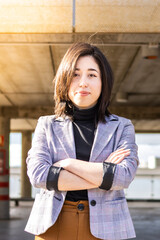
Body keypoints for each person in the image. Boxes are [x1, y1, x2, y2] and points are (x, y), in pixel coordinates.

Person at [25, 42, 139, 240]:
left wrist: (68, 165)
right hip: (53, 225)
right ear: (65, 79)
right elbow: (39, 176)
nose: (83, 82)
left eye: (92, 75)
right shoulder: (46, 125)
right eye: (75, 74)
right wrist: (104, 172)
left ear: (103, 82)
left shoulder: (122, 127)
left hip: (107, 226)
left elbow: (123, 177)